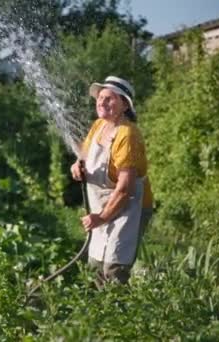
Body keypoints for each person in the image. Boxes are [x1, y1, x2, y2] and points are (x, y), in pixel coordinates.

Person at [70, 76, 151, 286]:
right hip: (102, 206)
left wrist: (101, 217)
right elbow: (85, 153)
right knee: (95, 265)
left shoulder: (127, 135)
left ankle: (120, 315)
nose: (101, 102)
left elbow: (125, 188)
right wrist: (77, 165)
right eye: (100, 97)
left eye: (109, 98)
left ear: (124, 105)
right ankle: (98, 316)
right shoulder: (99, 125)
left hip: (129, 207)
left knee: (114, 268)